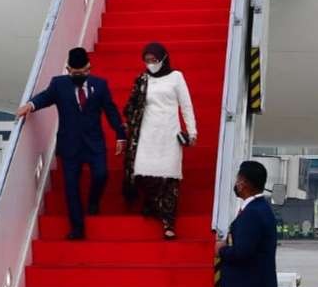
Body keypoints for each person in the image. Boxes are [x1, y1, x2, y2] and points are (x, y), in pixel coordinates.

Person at [17, 47, 127, 240]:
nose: (77, 76)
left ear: (89, 68)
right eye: (73, 73)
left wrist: (120, 135)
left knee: (101, 175)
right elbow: (45, 97)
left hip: (94, 142)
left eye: (82, 72)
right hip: (70, 144)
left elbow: (111, 111)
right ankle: (77, 228)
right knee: (71, 186)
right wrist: (30, 105)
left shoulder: (100, 85)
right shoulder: (59, 85)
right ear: (67, 69)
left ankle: (93, 201)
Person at [122, 43, 196, 239]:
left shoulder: (176, 77)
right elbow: (131, 106)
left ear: (163, 58)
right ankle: (152, 204)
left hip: (169, 134)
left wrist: (192, 132)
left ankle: (168, 223)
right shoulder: (142, 79)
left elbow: (186, 105)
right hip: (146, 134)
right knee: (142, 174)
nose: (150, 64)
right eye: (147, 60)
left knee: (169, 179)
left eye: (154, 60)